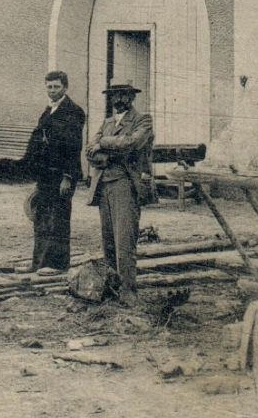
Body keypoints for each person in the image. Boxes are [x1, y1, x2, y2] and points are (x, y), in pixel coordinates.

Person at [87, 82, 156, 305]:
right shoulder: (107, 122)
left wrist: (103, 143)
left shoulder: (143, 120)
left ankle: (129, 292)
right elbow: (89, 151)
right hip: (103, 184)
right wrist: (104, 156)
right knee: (108, 240)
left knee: (124, 240)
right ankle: (112, 288)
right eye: (114, 95)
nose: (118, 99)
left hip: (125, 184)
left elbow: (132, 144)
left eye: (123, 95)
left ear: (131, 97)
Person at [19, 71, 87, 272]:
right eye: (49, 87)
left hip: (61, 176)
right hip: (45, 174)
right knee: (41, 219)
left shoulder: (73, 111)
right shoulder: (48, 111)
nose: (52, 90)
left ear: (65, 87)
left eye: (56, 87)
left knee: (58, 219)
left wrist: (68, 177)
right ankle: (39, 263)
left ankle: (57, 265)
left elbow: (74, 147)